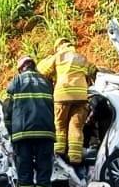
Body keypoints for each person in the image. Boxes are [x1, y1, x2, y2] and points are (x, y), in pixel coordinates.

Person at [37, 38, 96, 166]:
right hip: (81, 96)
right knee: (76, 127)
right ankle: (75, 158)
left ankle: (59, 153)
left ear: (58, 46)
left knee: (60, 125)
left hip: (62, 95)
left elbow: (41, 69)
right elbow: (94, 71)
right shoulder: (81, 57)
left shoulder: (58, 56)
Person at [3, 56, 56, 187]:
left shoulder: (16, 81)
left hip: (23, 131)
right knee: (44, 162)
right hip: (45, 130)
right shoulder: (46, 81)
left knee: (24, 161)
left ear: (20, 69)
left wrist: (10, 130)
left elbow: (7, 109)